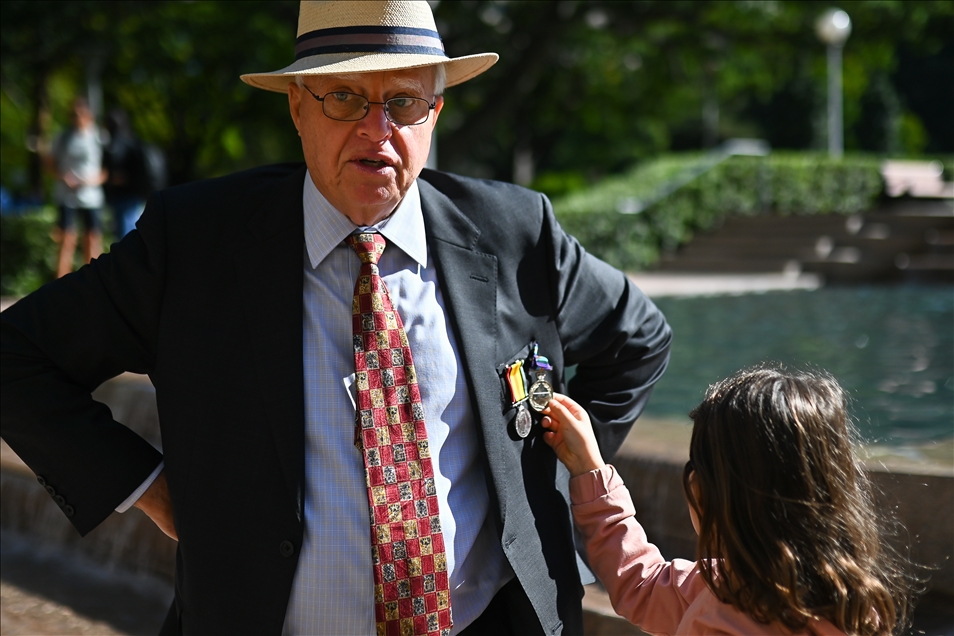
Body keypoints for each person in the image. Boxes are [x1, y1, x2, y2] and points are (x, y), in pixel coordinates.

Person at [1, 2, 671, 634]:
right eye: (345, 97)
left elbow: (638, 339)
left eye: (403, 101)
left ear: (434, 112)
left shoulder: (515, 233)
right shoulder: (197, 245)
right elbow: (15, 357)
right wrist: (147, 486)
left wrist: (546, 478)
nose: (376, 130)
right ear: (297, 106)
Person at [541, 366, 914, 636]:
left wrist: (590, 473)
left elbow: (641, 588)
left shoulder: (720, 609)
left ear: (704, 492)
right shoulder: (850, 600)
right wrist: (591, 468)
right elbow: (644, 585)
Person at [47, 97, 107, 277]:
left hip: (92, 196)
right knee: (66, 238)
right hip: (67, 195)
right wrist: (63, 177)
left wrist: (93, 181)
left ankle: (94, 282)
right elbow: (49, 163)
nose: (77, 117)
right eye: (73, 114)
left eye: (81, 113)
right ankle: (61, 282)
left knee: (93, 238)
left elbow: (108, 168)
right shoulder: (63, 137)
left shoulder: (99, 137)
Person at [103, 108, 154, 239]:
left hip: (127, 196)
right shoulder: (134, 141)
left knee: (126, 235)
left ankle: (130, 259)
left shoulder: (118, 145)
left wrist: (115, 178)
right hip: (133, 195)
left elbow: (120, 174)